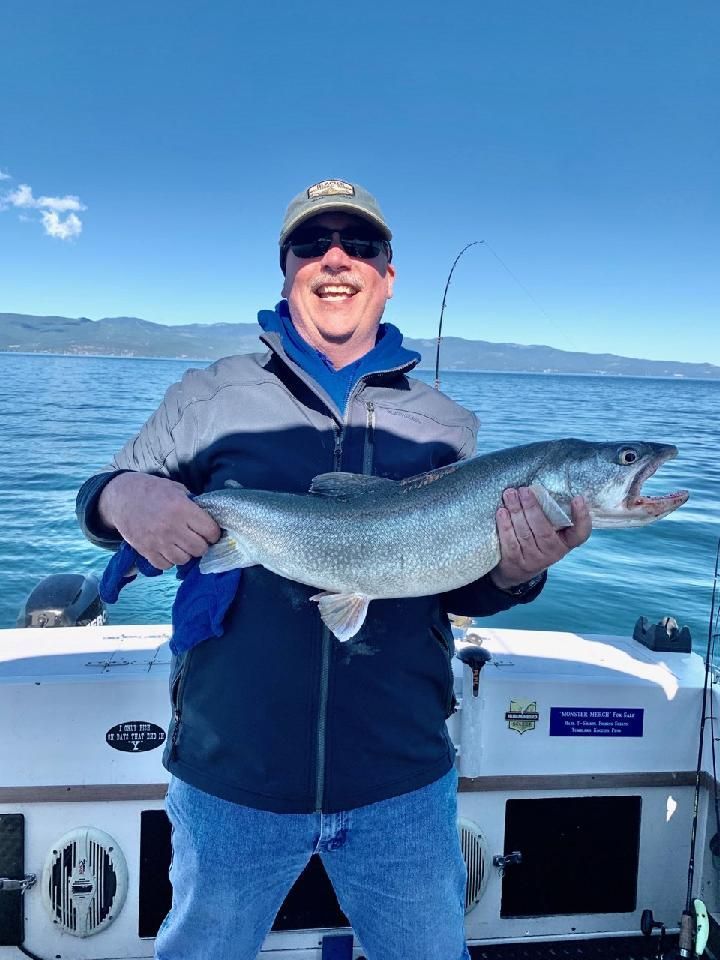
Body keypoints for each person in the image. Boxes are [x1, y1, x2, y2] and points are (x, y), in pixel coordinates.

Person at [77, 179, 591, 960]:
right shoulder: (209, 396)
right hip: (231, 772)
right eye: (313, 243)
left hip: (401, 778)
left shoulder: (445, 424)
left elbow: (457, 580)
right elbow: (99, 495)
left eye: (362, 244)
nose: (337, 258)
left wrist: (517, 572)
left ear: (388, 274)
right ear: (286, 269)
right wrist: (121, 497)